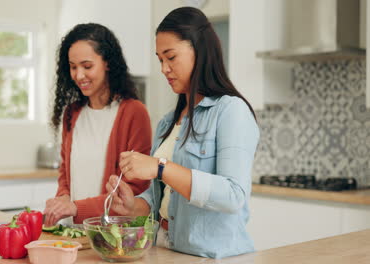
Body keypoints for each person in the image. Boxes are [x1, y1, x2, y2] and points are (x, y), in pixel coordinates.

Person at [105, 7, 260, 259]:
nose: (164, 68)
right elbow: (164, 199)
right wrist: (134, 206)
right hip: (166, 247)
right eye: (160, 60)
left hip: (213, 255)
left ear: (199, 51)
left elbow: (233, 195)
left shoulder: (231, 110)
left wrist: (160, 167)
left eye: (171, 57)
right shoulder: (168, 122)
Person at [44, 23, 152, 225]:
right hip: (74, 233)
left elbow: (135, 190)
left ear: (108, 63)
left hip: (112, 238)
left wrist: (76, 207)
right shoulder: (72, 113)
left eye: (87, 66)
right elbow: (65, 176)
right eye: (73, 67)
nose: (78, 75)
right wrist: (63, 199)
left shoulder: (134, 113)